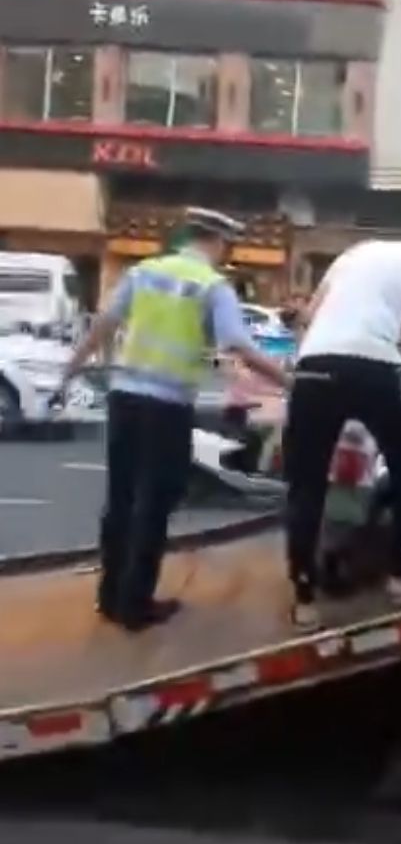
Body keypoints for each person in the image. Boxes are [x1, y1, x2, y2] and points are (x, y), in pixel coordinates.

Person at [54, 207, 289, 633]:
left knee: (121, 499)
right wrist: (288, 382)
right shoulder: (212, 285)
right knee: (154, 503)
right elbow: (237, 344)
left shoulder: (144, 272)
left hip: (125, 399)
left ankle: (110, 597)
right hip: (167, 407)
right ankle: (135, 605)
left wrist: (71, 368)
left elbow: (105, 324)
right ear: (218, 242)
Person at [283, 218, 401, 627]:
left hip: (313, 368)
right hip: (372, 368)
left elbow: (307, 318)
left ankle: (304, 599)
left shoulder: (355, 253)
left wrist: (305, 366)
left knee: (305, 487)